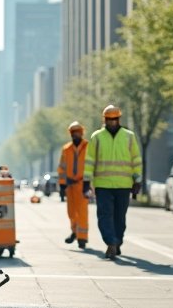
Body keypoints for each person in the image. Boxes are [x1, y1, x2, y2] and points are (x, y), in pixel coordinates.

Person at [83, 105, 142, 260]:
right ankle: (111, 242)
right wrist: (86, 182)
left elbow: (136, 159)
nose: (112, 122)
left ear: (119, 119)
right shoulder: (97, 137)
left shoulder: (129, 136)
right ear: (105, 119)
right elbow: (89, 161)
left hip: (123, 185)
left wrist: (137, 180)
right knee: (104, 216)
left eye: (115, 119)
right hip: (103, 185)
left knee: (119, 218)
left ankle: (117, 242)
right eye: (109, 119)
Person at [57, 121, 89, 249]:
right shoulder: (66, 149)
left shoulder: (88, 147)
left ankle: (82, 238)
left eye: (77, 132)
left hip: (82, 184)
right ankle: (75, 232)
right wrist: (62, 185)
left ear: (81, 133)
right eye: (73, 133)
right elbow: (62, 168)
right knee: (71, 212)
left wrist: (89, 182)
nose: (75, 135)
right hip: (70, 185)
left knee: (82, 212)